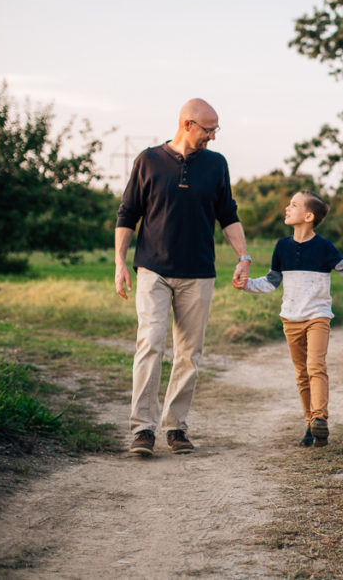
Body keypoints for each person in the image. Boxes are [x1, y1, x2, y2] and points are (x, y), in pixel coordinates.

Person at [115, 98, 251, 456]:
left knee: (189, 353)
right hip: (153, 269)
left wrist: (244, 256)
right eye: (209, 129)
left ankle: (176, 427)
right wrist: (119, 262)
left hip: (199, 273)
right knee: (151, 343)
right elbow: (128, 213)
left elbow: (228, 214)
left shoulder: (216, 165)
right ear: (187, 124)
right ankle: (142, 429)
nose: (213, 137)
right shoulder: (148, 160)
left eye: (215, 129)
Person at [232, 191, 343, 447]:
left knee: (315, 366)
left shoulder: (324, 246)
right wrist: (247, 285)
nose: (287, 208)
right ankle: (310, 425)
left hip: (318, 317)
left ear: (308, 216)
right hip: (290, 319)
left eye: (293, 205)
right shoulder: (282, 246)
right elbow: (272, 281)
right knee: (301, 373)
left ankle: (320, 418)